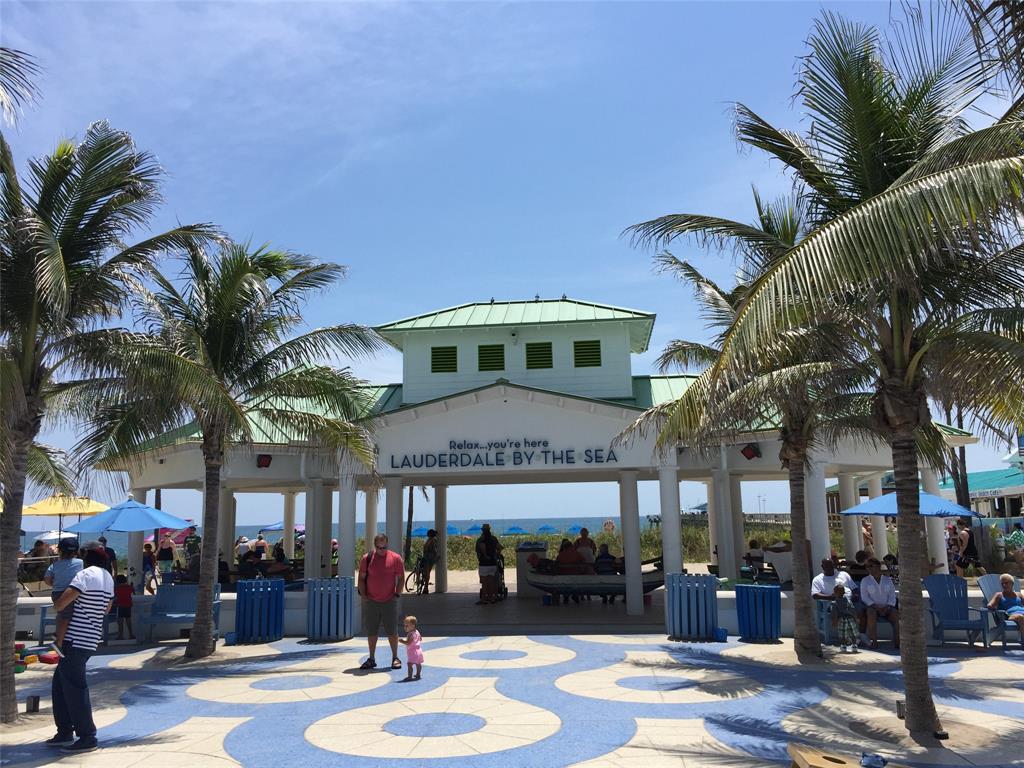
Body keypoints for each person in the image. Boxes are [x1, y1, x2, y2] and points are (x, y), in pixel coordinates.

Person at [45, 541, 114, 754]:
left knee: (75, 687)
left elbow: (60, 604)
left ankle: (87, 736)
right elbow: (106, 609)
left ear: (86, 557)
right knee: (60, 684)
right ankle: (64, 730)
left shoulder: (85, 575)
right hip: (90, 639)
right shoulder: (108, 578)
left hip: (74, 640)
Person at [357, 533, 405, 670]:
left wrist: (397, 593)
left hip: (389, 600)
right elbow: (361, 578)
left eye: (384, 547)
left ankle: (395, 657)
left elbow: (401, 578)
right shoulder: (367, 559)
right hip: (371, 601)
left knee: (392, 631)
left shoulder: (396, 558)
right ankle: (371, 658)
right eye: (379, 547)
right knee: (371, 631)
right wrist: (364, 595)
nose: (381, 550)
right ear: (375, 546)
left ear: (388, 545)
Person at [44, 538, 83, 656]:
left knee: (61, 614)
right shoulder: (80, 562)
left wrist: (54, 584)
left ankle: (57, 634)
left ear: (60, 550)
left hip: (56, 593)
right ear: (76, 551)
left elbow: (47, 579)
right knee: (66, 617)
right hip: (69, 593)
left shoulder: (55, 564)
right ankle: (58, 642)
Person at [860, 557, 900, 649]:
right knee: (871, 613)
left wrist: (888, 607)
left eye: (871, 566)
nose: (869, 568)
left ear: (878, 567)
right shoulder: (865, 581)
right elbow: (865, 597)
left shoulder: (887, 580)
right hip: (873, 607)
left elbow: (892, 595)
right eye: (867, 567)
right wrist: (876, 607)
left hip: (888, 607)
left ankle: (898, 641)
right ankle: (874, 641)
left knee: (896, 615)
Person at [475, 523, 502, 605]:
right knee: (491, 582)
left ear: (482, 530)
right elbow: (500, 547)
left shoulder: (481, 539)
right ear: (490, 529)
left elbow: (482, 546)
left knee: (484, 582)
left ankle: (484, 599)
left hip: (484, 563)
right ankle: (492, 598)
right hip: (493, 563)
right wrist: (497, 554)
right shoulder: (494, 538)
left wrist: (485, 555)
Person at [831, 583, 860, 653]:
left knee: (843, 634)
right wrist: (856, 619)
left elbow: (834, 614)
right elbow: (853, 610)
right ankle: (854, 645)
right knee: (853, 633)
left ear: (834, 593)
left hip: (842, 619)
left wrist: (834, 622)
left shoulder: (834, 603)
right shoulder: (848, 601)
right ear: (844, 592)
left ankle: (844, 646)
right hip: (850, 619)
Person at [399, 615, 424, 681]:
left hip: (412, 652)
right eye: (404, 626)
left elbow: (408, 643)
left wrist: (401, 641)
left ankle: (410, 676)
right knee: (418, 663)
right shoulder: (417, 631)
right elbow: (420, 639)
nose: (405, 627)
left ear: (413, 626)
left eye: (407, 626)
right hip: (419, 650)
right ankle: (418, 674)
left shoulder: (410, 634)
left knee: (409, 664)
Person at [113, 574, 135, 641]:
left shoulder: (116, 588)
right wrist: (130, 585)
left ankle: (120, 636)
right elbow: (133, 592)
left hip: (120, 605)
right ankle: (131, 635)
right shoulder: (129, 587)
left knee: (120, 621)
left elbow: (115, 597)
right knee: (128, 621)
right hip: (128, 605)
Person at [420, 530, 439, 594]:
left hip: (428, 558)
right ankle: (425, 587)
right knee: (427, 572)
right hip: (429, 558)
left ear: (429, 534)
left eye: (428, 533)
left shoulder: (431, 540)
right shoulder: (432, 540)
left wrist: (436, 556)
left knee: (427, 573)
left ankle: (425, 588)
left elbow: (433, 550)